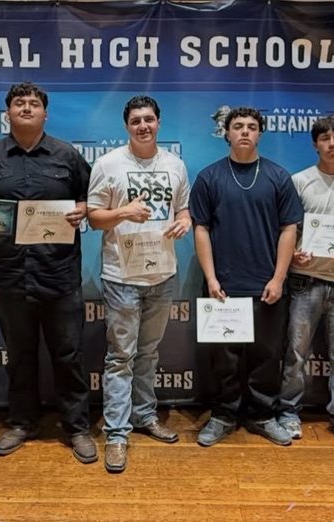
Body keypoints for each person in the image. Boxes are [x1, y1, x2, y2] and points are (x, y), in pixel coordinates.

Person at [0, 82, 97, 464]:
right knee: (19, 355)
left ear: (45, 113)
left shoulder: (67, 155)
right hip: (7, 273)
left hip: (59, 274)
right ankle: (22, 422)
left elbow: (91, 198)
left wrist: (81, 211)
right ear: (7, 112)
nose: (26, 107)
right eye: (18, 103)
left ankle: (77, 427)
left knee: (68, 355)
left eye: (33, 103)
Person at [87, 95, 192, 472]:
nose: (143, 126)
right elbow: (94, 218)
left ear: (159, 123)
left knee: (148, 353)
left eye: (149, 119)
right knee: (121, 356)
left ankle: (144, 416)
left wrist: (185, 221)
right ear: (126, 126)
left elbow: (183, 207)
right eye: (136, 121)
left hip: (163, 274)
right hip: (122, 277)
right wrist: (123, 212)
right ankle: (116, 434)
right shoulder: (108, 164)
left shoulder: (175, 165)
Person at [190, 106, 303, 447]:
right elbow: (201, 228)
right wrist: (210, 278)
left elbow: (289, 229)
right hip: (222, 286)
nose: (244, 132)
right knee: (223, 358)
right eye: (237, 126)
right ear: (226, 133)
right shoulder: (209, 177)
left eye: (252, 127)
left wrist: (279, 278)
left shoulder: (277, 177)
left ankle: (262, 414)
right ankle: (223, 414)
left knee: (267, 355)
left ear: (260, 134)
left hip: (265, 285)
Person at [277, 115, 334, 449]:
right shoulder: (299, 182)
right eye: (324, 138)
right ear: (315, 144)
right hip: (305, 281)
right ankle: (288, 410)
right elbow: (287, 229)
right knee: (296, 352)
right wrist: (295, 253)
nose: (331, 143)